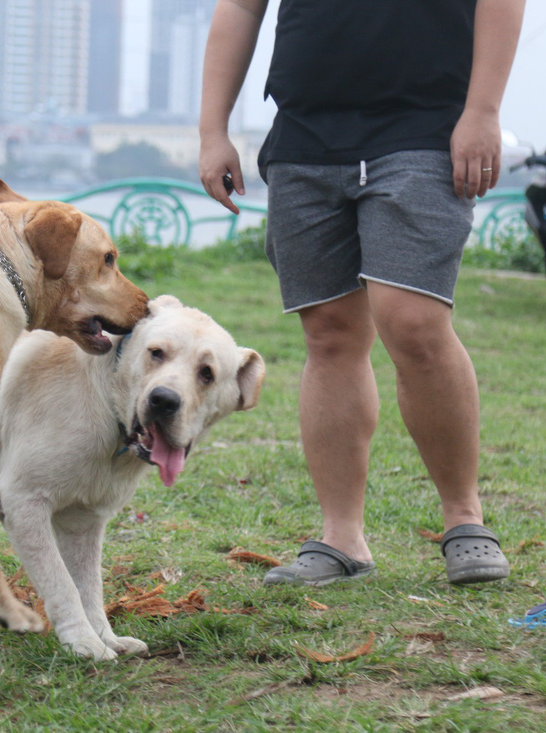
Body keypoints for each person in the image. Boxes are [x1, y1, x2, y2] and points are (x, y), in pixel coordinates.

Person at [198, 0, 525, 586]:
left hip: (426, 128)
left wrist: (483, 111)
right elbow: (241, 8)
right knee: (329, 332)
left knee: (414, 322)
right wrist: (212, 129)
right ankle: (341, 539)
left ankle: (465, 519)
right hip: (306, 133)